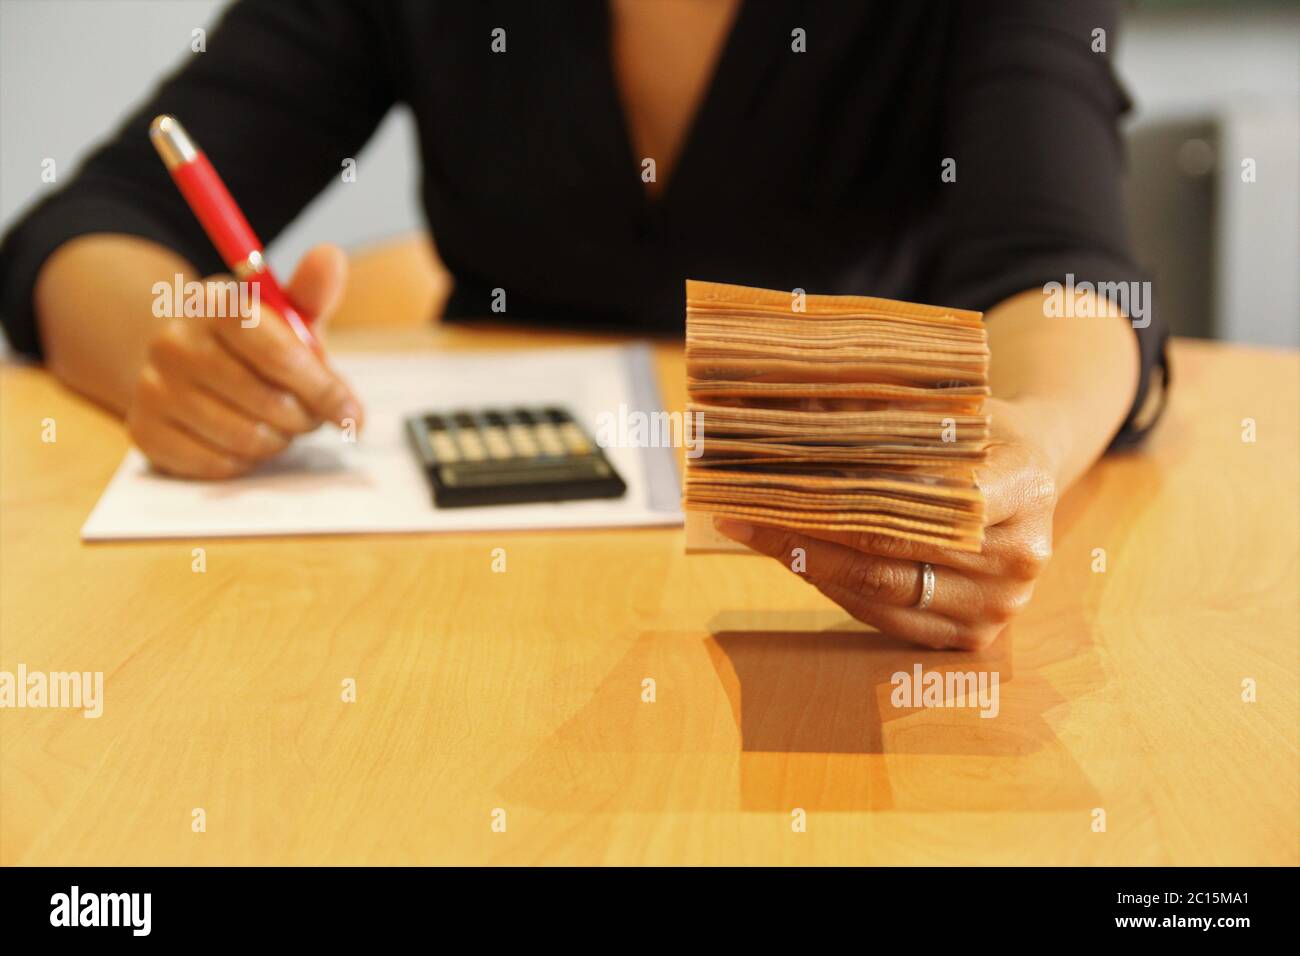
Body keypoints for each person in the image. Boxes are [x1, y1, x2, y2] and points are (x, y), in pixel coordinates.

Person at [0, 0, 1168, 650]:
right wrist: (168, 338)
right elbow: (99, 218)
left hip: (832, 602)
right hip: (462, 624)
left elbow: (1066, 270)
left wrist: (1025, 437)